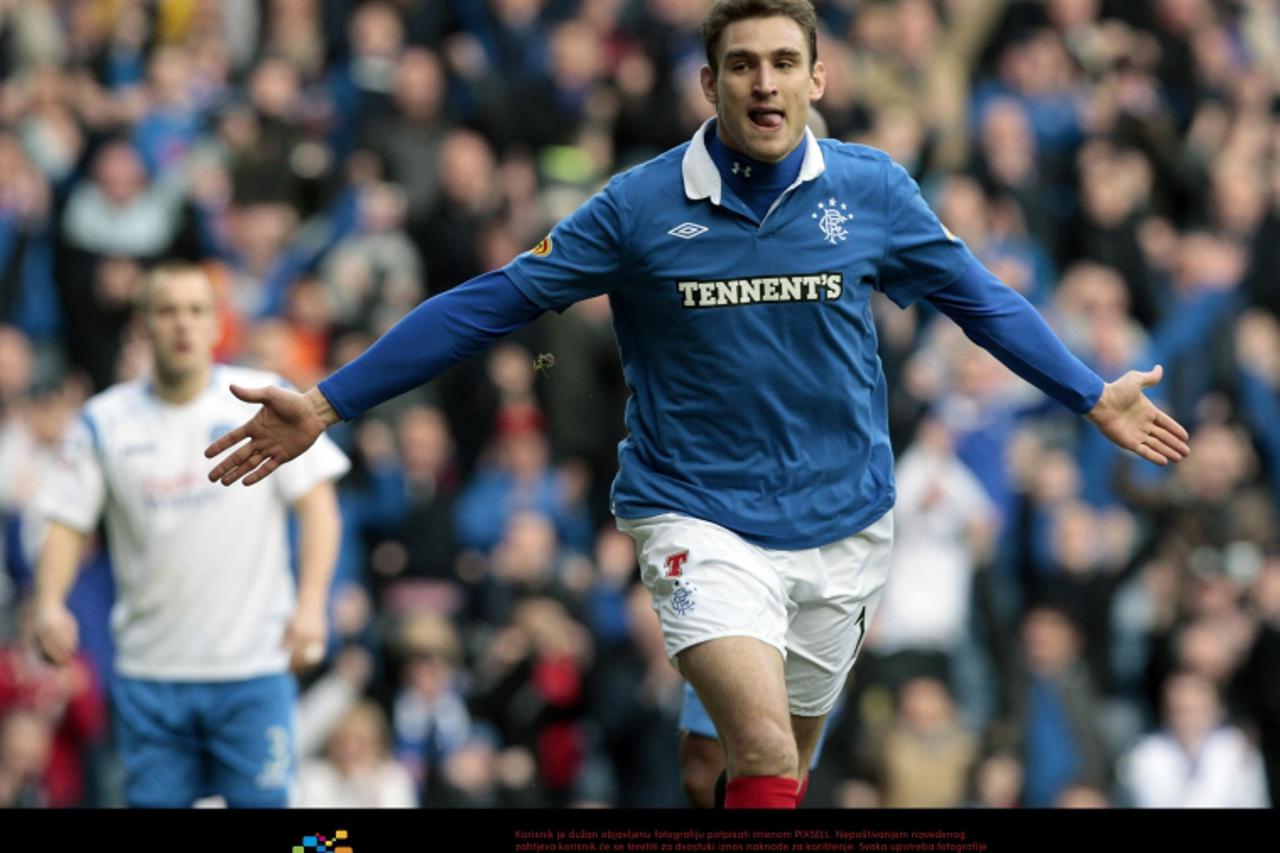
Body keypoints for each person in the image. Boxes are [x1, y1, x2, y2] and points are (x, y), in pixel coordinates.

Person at [206, 0, 1189, 809]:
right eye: (740, 64)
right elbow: (489, 302)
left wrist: (1086, 391)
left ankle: (705, 747)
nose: (762, 82)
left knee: (744, 770)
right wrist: (330, 401)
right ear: (708, 84)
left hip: (844, 519)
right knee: (761, 752)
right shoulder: (637, 207)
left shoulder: (872, 191)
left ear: (816, 78)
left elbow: (978, 300)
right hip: (697, 513)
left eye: (781, 62)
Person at [32, 264, 350, 807]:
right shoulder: (104, 421)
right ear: (142, 326)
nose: (183, 324)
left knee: (299, 836)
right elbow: (67, 522)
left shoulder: (261, 406)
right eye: (167, 310)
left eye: (197, 311)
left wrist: (313, 605)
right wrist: (47, 603)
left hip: (252, 667)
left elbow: (319, 508)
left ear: (216, 324)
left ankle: (339, 845)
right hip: (151, 675)